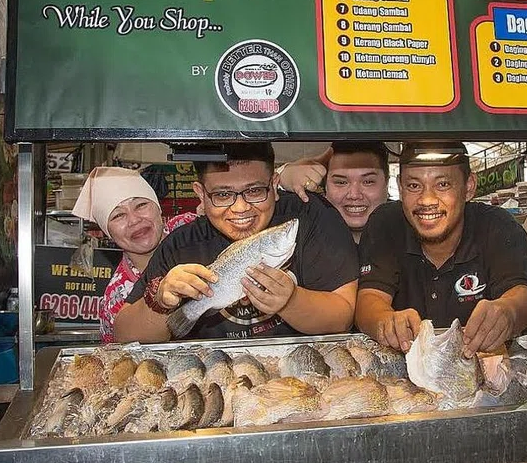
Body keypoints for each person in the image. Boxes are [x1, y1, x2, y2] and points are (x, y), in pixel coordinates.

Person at [114, 142, 359, 342]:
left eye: (254, 191)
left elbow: (343, 316)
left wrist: (292, 301)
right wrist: (160, 301)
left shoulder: (309, 216)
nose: (240, 207)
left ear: (274, 185)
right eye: (222, 194)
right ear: (201, 194)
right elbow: (123, 335)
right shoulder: (182, 244)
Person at [355, 141, 527, 357]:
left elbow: (522, 295)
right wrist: (384, 320)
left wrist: (509, 311)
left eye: (443, 184)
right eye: (413, 186)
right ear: (400, 188)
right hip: (404, 363)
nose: (427, 200)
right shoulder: (385, 223)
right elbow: (369, 298)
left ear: (469, 187)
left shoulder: (497, 226)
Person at [72, 166, 197, 343]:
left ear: (159, 208)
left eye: (141, 205)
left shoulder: (190, 227)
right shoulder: (117, 299)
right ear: (108, 233)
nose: (134, 220)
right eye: (118, 216)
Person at [278, 141, 390, 243]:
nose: (354, 195)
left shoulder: (399, 231)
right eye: (341, 182)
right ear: (325, 186)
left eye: (368, 182)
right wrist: (281, 177)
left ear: (387, 183)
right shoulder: (302, 231)